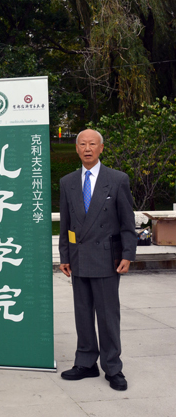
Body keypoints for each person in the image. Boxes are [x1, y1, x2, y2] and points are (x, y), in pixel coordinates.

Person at [59, 129, 137, 391]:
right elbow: (65, 224)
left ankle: (113, 367)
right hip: (79, 258)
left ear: (101, 148)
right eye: (82, 144)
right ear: (77, 149)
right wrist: (64, 256)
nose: (87, 148)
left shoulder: (117, 179)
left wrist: (127, 254)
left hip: (107, 258)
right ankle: (86, 362)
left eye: (93, 144)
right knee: (82, 314)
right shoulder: (68, 182)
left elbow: (127, 222)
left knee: (107, 316)